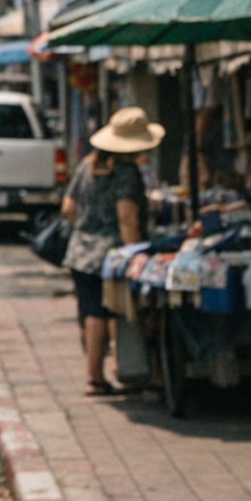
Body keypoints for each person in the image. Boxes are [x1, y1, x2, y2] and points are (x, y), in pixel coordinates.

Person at [61, 106, 157, 396]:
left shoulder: (87, 165)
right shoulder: (127, 173)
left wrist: (87, 231)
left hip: (80, 252)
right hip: (112, 255)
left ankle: (99, 374)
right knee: (110, 313)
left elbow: (68, 209)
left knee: (91, 311)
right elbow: (127, 218)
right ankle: (105, 374)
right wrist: (136, 253)